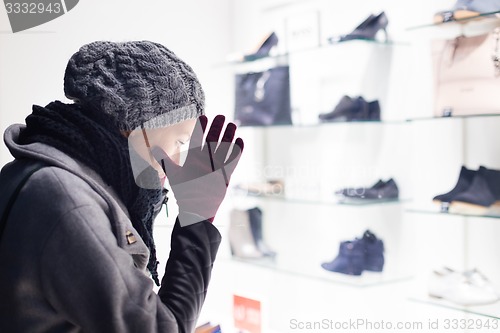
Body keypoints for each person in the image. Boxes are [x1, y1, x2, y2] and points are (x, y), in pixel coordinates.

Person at [0, 40, 243, 333]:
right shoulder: (70, 201)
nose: (181, 159)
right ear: (135, 126)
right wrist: (197, 217)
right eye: (180, 140)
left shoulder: (46, 174)